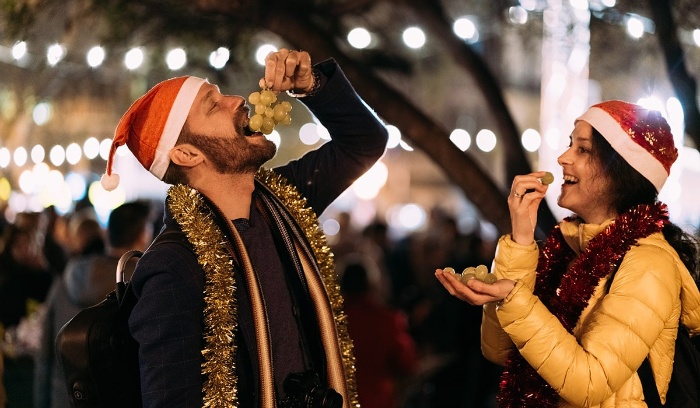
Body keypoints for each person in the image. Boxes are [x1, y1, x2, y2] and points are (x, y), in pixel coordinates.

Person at [98, 49, 388, 407]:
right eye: (213, 105)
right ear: (187, 155)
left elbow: (364, 144)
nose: (237, 100)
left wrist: (312, 85)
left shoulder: (283, 202)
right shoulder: (172, 266)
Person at [435, 100, 700, 407]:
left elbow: (591, 381)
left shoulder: (650, 263)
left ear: (621, 169)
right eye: (569, 145)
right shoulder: (569, 248)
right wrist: (521, 238)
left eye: (582, 149)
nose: (563, 158)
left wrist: (512, 297)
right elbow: (501, 350)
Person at [33, 200, 154, 408]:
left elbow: (44, 356)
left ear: (108, 235)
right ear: (143, 235)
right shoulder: (143, 289)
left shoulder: (66, 278)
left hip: (66, 398)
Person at [339, 255, 417, 408]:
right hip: (378, 399)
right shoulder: (387, 320)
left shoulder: (331, 320)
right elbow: (406, 362)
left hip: (340, 399)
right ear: (370, 284)